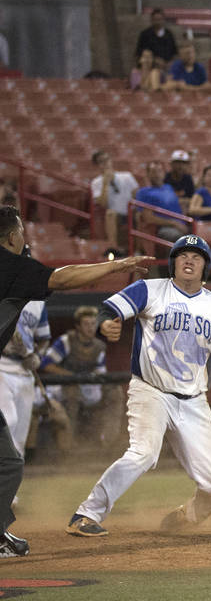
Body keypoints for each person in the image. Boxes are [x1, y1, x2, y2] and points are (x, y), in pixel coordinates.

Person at [65, 234, 211, 538]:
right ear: (173, 263)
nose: (189, 260)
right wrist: (105, 324)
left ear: (206, 267)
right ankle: (86, 514)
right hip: (150, 390)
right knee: (143, 454)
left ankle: (183, 519)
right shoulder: (150, 290)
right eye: (183, 255)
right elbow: (108, 309)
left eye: (197, 257)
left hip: (193, 400)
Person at [0, 205, 151, 557]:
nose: (25, 237)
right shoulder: (10, 265)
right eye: (21, 231)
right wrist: (117, 265)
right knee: (7, 462)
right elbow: (63, 279)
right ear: (11, 236)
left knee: (6, 460)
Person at [39, 306, 126, 454]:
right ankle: (68, 446)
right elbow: (46, 364)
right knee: (72, 391)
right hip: (61, 387)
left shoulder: (99, 346)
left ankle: (109, 441)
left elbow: (100, 373)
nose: (90, 328)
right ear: (78, 326)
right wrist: (70, 376)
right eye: (86, 324)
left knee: (115, 391)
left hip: (87, 386)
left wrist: (87, 378)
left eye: (93, 324)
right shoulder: (66, 341)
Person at [0, 298, 49, 460]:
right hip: (2, 365)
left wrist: (37, 356)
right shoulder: (5, 292)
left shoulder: (39, 302)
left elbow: (44, 338)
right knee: (8, 421)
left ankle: (11, 481)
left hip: (25, 370)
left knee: (19, 439)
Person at [90, 149, 139, 249]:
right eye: (101, 161)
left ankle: (139, 251)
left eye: (107, 160)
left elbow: (137, 196)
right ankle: (113, 248)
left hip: (131, 212)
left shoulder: (127, 176)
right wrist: (105, 184)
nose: (105, 164)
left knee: (141, 215)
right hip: (117, 215)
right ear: (97, 165)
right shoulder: (96, 182)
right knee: (110, 213)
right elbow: (103, 204)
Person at [135, 161, 190, 244]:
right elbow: (148, 218)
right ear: (148, 174)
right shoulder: (143, 192)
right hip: (164, 227)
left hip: (181, 225)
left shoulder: (169, 187)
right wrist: (174, 223)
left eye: (159, 171)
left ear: (164, 174)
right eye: (153, 172)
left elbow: (176, 204)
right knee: (178, 238)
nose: (157, 175)